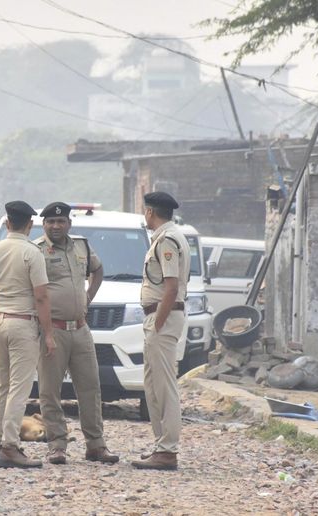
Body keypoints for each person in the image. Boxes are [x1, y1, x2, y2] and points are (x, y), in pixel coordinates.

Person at [34, 202, 119, 465]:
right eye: (51, 222)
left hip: (81, 329)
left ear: (69, 224)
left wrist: (87, 298)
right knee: (50, 391)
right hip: (53, 330)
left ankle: (96, 445)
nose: (56, 226)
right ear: (43, 224)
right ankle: (57, 445)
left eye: (61, 222)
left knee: (90, 388)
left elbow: (98, 270)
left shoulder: (81, 245)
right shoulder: (36, 251)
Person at [0, 201, 55, 468]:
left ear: (7, 224)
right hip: (22, 322)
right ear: (30, 224)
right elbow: (41, 296)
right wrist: (48, 333)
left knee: (3, 386)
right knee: (19, 387)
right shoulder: (32, 252)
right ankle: (10, 446)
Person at [132, 191, 189, 470]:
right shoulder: (168, 236)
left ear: (151, 212)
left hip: (163, 318)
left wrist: (157, 323)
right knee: (153, 384)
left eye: (146, 211)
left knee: (164, 385)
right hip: (161, 316)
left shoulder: (167, 239)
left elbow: (171, 286)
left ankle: (167, 450)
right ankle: (160, 446)